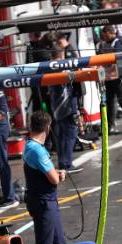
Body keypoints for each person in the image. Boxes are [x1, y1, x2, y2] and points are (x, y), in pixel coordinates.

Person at [21, 110, 68, 244]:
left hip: (43, 200)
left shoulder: (30, 146)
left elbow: (42, 170)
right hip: (44, 202)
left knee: (59, 242)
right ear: (48, 128)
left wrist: (54, 172)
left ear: (30, 126)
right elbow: (54, 180)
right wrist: (58, 174)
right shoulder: (38, 150)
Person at [48, 43, 82, 174]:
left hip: (57, 105)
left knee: (62, 135)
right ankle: (67, 163)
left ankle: (63, 162)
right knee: (71, 133)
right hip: (66, 105)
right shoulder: (61, 67)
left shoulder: (49, 67)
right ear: (61, 54)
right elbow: (72, 76)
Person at [97, 25, 122, 133]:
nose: (103, 37)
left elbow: (120, 57)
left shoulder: (118, 42)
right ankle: (109, 126)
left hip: (118, 78)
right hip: (107, 78)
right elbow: (99, 57)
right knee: (109, 103)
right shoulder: (102, 44)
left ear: (109, 33)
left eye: (104, 35)